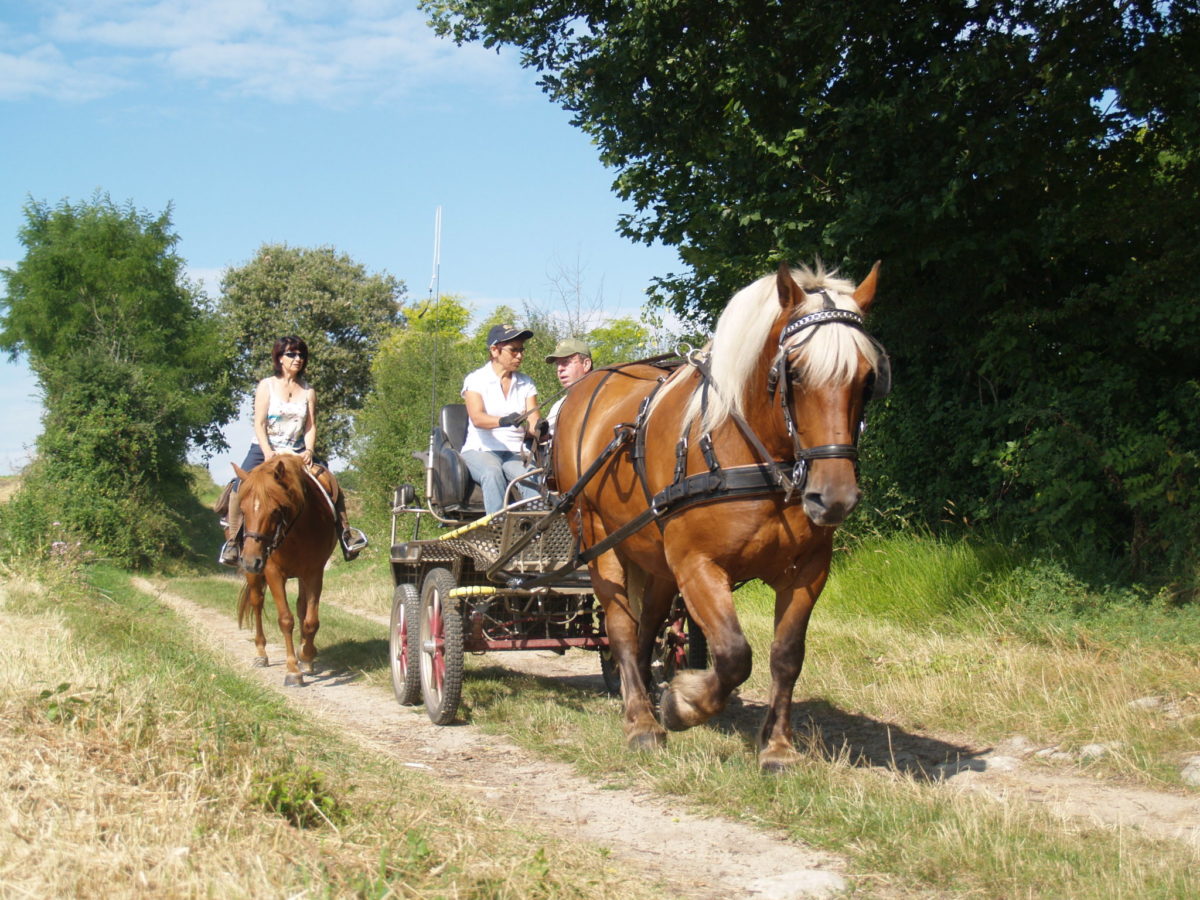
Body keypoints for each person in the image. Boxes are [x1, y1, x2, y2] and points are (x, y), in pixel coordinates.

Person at [218, 336, 368, 566]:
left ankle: (346, 535)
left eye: (301, 355)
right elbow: (259, 423)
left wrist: (309, 449)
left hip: (296, 450)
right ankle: (234, 542)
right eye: (292, 354)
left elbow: (310, 425)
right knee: (240, 485)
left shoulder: (308, 391)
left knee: (330, 482)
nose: (298, 359)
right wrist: (268, 451)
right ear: (279, 358)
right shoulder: (266, 386)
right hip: (264, 448)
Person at [460, 324, 541, 515]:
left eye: (521, 350)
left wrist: (540, 429)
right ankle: (497, 530)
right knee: (492, 473)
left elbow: (533, 420)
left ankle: (540, 531)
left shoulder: (526, 382)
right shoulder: (476, 379)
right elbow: (477, 418)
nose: (520, 355)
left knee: (532, 476)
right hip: (481, 449)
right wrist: (504, 421)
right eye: (514, 350)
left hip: (514, 451)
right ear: (494, 350)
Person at [544, 338, 594, 434]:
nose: (560, 369)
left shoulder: (603, 398)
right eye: (557, 364)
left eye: (566, 362)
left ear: (586, 364)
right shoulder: (558, 406)